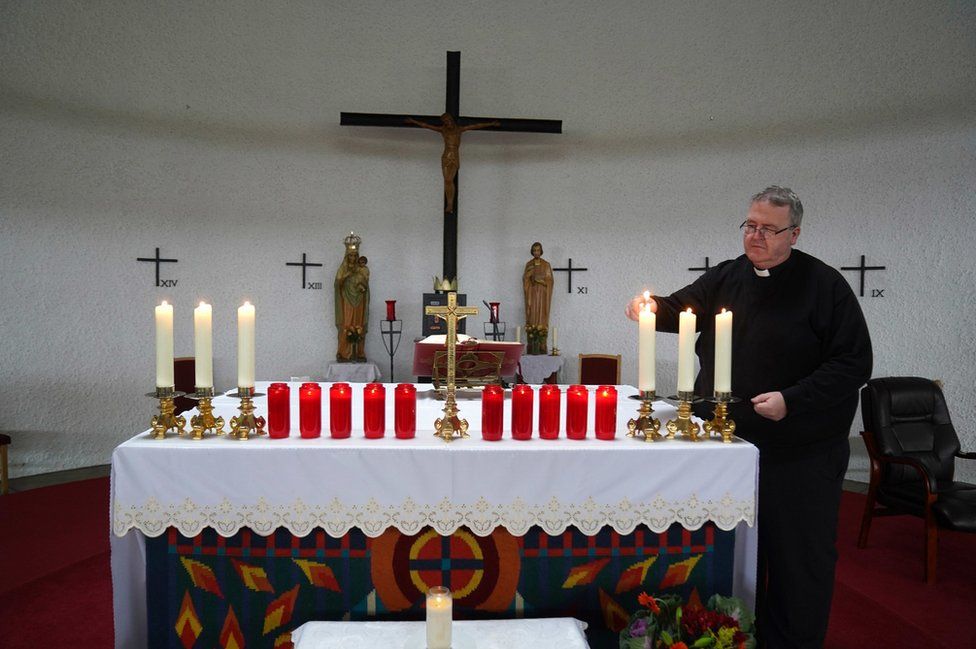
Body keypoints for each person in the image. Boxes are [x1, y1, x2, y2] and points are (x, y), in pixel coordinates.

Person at [625, 186, 872, 649]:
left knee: (797, 558)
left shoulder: (825, 286)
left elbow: (853, 363)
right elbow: (680, 308)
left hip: (799, 449)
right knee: (727, 551)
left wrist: (793, 399)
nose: (755, 236)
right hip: (725, 441)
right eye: (750, 225)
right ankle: (726, 635)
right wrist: (649, 306)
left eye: (768, 228)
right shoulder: (727, 275)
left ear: (793, 234)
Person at [406, 113, 500, 212]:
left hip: (454, 156)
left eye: (449, 121)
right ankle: (449, 203)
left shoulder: (459, 129)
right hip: (446, 156)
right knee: (447, 180)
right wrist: (413, 121)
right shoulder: (443, 130)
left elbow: (475, 126)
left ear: (452, 120)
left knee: (450, 180)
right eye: (446, 122)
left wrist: (491, 123)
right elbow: (426, 126)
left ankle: (450, 203)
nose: (448, 123)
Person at [334, 232, 369, 361]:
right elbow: (338, 283)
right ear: (347, 256)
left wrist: (363, 287)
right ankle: (344, 353)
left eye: (355, 256)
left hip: (359, 300)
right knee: (347, 324)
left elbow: (365, 285)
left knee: (358, 325)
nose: (353, 259)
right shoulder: (343, 268)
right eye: (351, 256)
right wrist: (348, 274)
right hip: (346, 300)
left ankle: (359, 352)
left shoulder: (362, 269)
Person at [523, 241, 554, 354]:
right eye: (534, 250)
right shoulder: (529, 264)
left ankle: (541, 344)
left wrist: (541, 281)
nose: (536, 252)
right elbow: (525, 280)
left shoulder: (546, 265)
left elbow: (550, 281)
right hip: (532, 294)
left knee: (542, 317)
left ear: (541, 251)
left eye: (538, 250)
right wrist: (529, 277)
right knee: (532, 316)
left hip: (542, 295)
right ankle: (531, 344)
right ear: (532, 251)